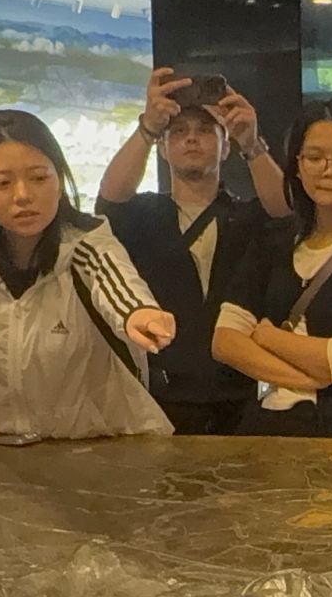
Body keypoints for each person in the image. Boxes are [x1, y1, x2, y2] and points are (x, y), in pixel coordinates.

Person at [0, 111, 176, 443]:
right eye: (2, 183)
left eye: (39, 177)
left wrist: (140, 314)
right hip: (1, 447)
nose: (22, 195)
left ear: (59, 180)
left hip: (102, 443)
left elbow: (117, 283)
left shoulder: (86, 243)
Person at [96, 69, 283, 435]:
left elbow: (285, 213)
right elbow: (110, 201)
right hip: (159, 398)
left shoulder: (247, 218)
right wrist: (148, 127)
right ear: (163, 148)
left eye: (205, 130)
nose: (192, 139)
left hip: (239, 398)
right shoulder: (144, 216)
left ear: (225, 146)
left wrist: (252, 143)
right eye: (178, 131)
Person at [211, 100, 332, 441]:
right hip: (266, 430)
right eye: (315, 157)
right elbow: (225, 341)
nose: (329, 170)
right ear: (297, 166)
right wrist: (309, 378)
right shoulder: (274, 240)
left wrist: (267, 336)